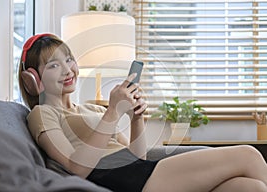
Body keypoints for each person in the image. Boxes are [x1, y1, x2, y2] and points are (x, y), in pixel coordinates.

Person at [18, 33, 267, 192]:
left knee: (250, 187)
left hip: (138, 171)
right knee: (248, 155)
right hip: (120, 180)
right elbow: (76, 167)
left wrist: (136, 119)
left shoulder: (91, 108)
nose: (67, 69)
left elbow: (134, 156)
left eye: (69, 59)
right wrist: (113, 112)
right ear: (33, 79)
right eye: (53, 65)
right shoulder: (43, 113)